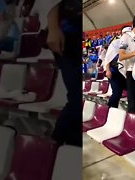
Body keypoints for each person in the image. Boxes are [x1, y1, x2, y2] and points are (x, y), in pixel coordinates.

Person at [46, 0, 81, 146]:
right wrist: (53, 27)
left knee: (78, 100)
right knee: (77, 98)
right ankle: (53, 145)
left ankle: (67, 148)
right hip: (68, 36)